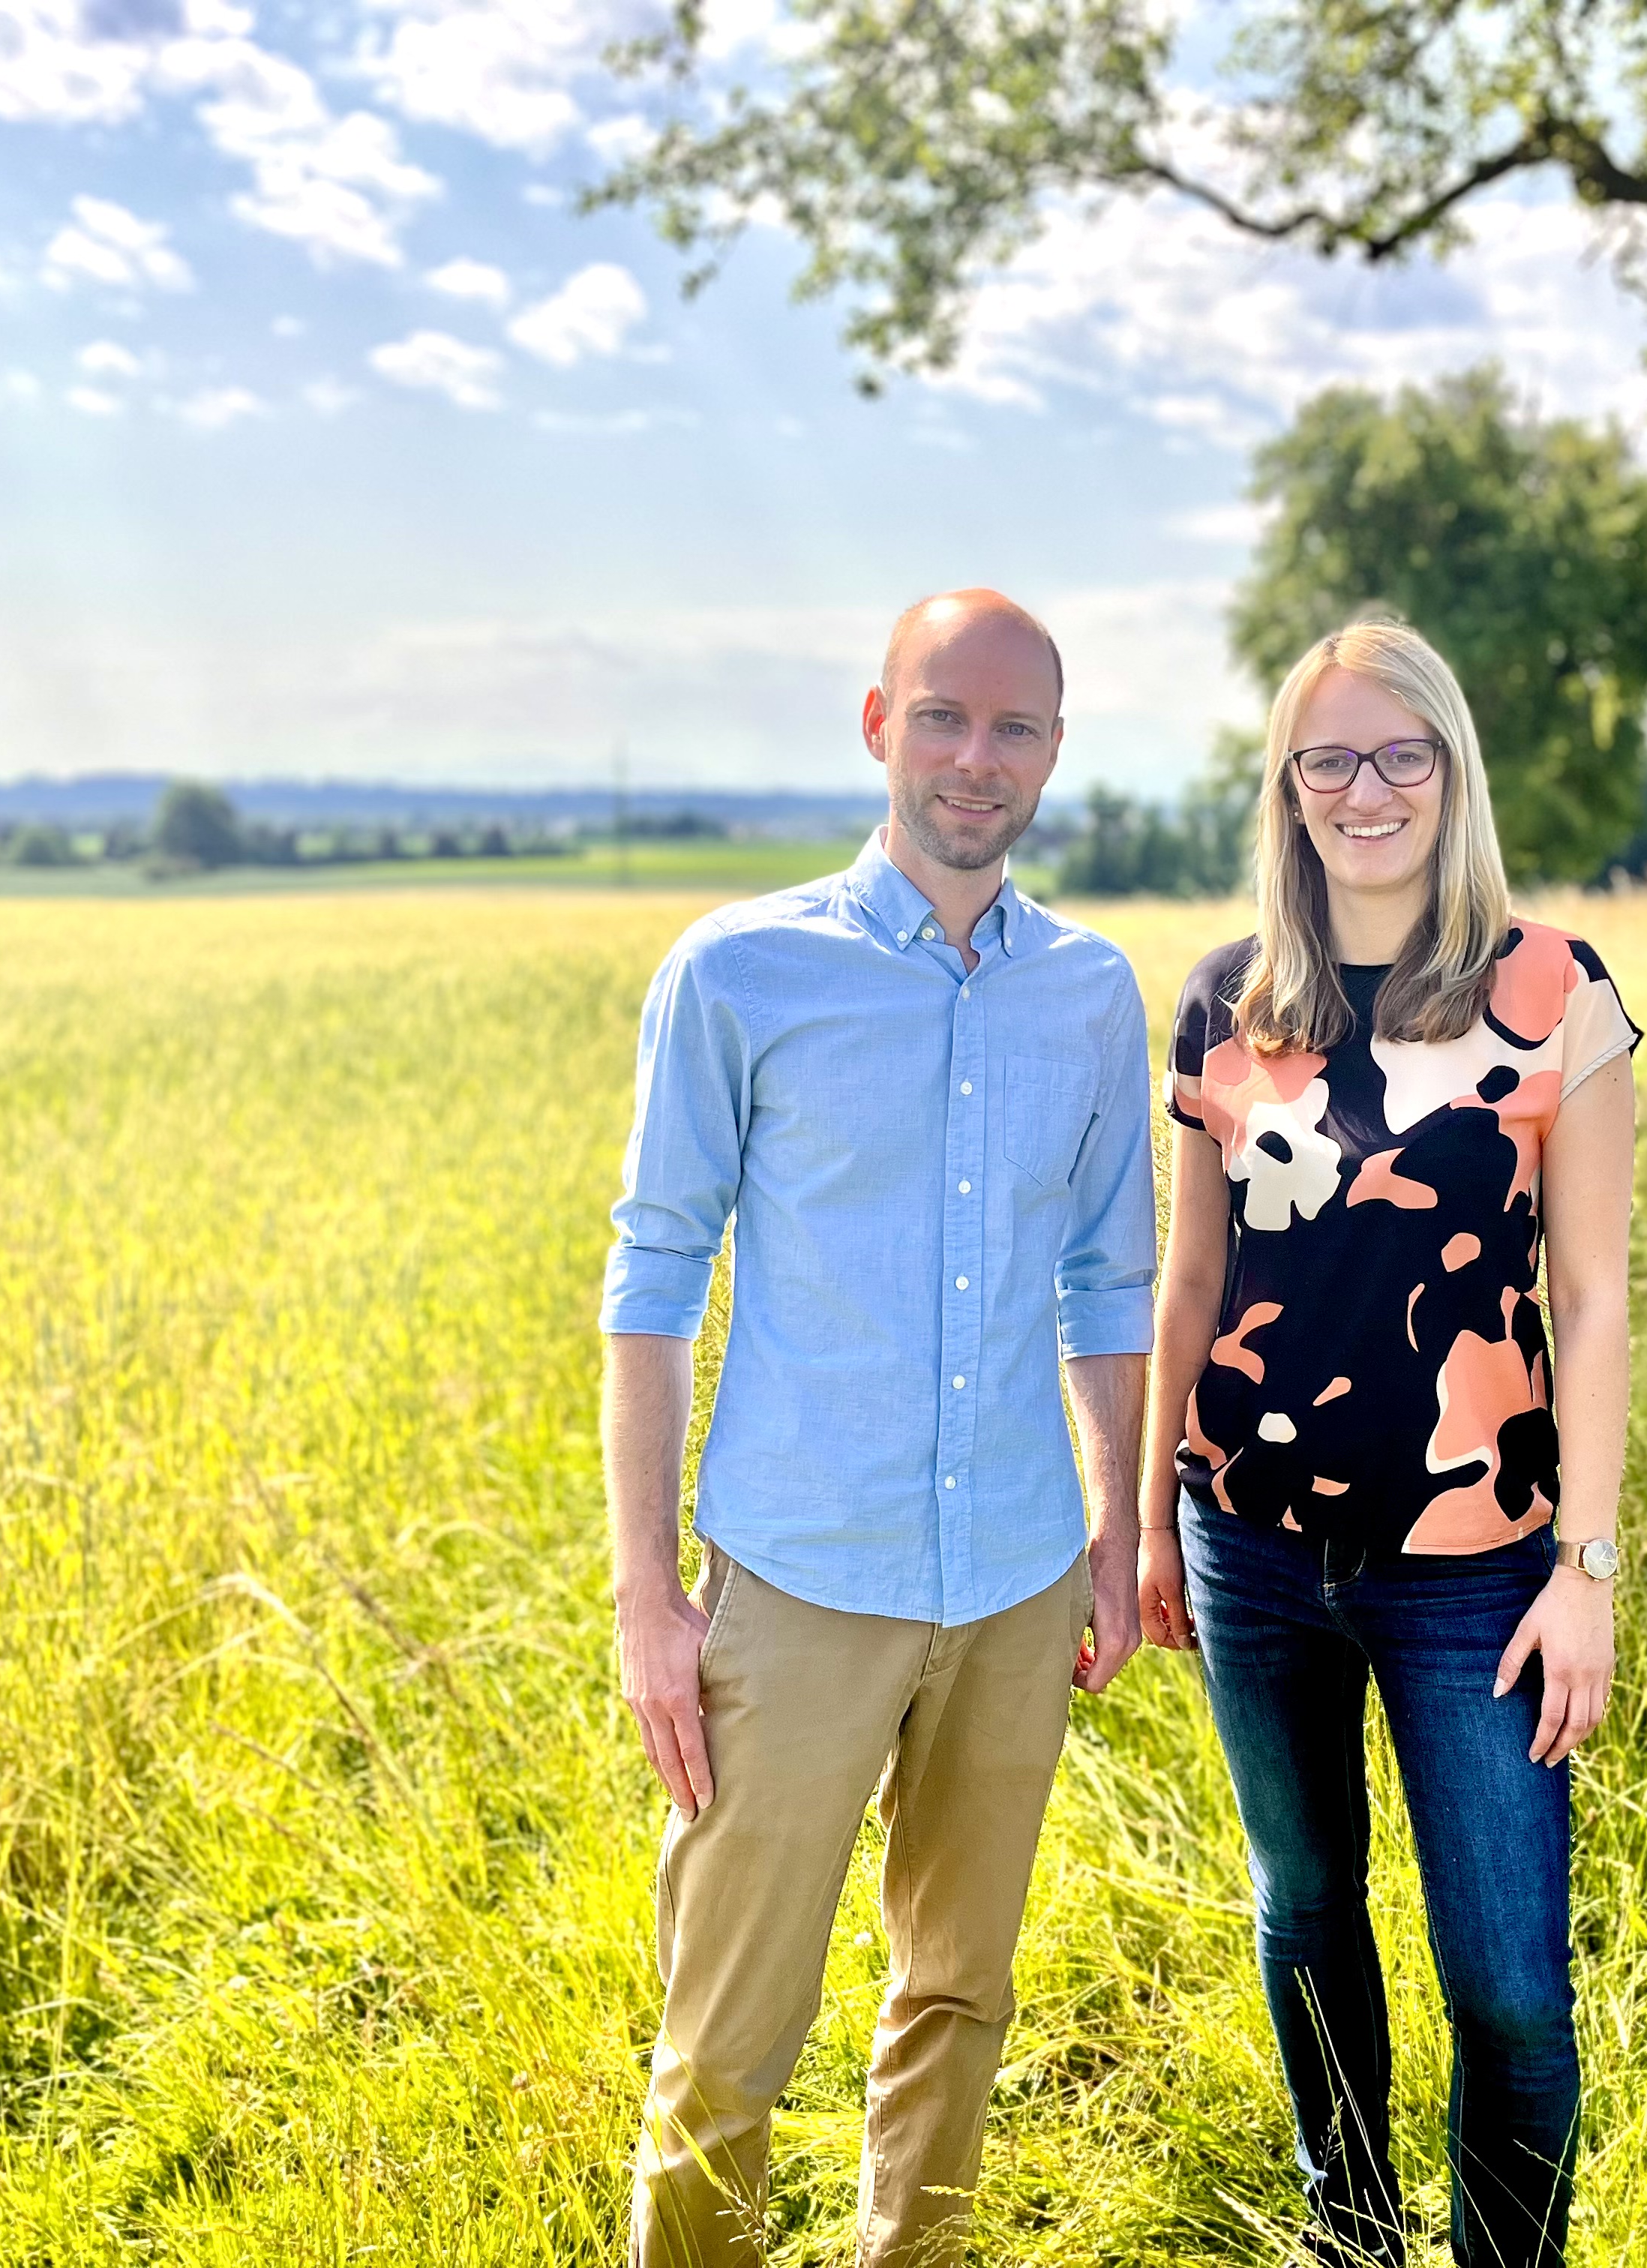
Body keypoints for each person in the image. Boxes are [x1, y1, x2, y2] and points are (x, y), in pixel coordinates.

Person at [599, 589, 1156, 2268]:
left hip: (1011, 1584)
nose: (977, 761)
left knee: (961, 1997)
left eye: (1016, 728)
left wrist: (1121, 1536)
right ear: (876, 725)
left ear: (1055, 751)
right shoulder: (739, 972)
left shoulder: (1090, 994)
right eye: (944, 718)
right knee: (726, 2049)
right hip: (799, 1582)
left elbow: (1108, 1283)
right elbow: (652, 1281)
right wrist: (645, 1596)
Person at [1137, 620, 1639, 2268]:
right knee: (1306, 1911)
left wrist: (1588, 1570)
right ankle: (1352, 2235)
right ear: (1289, 787)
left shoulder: (1552, 989)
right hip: (1251, 1549)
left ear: (1452, 772)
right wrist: (1151, 1527)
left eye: (1401, 755)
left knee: (1506, 1980)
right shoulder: (1227, 1002)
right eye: (1330, 759)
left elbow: (1600, 1297)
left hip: (1478, 1572)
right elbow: (1192, 1276)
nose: (1368, 789)